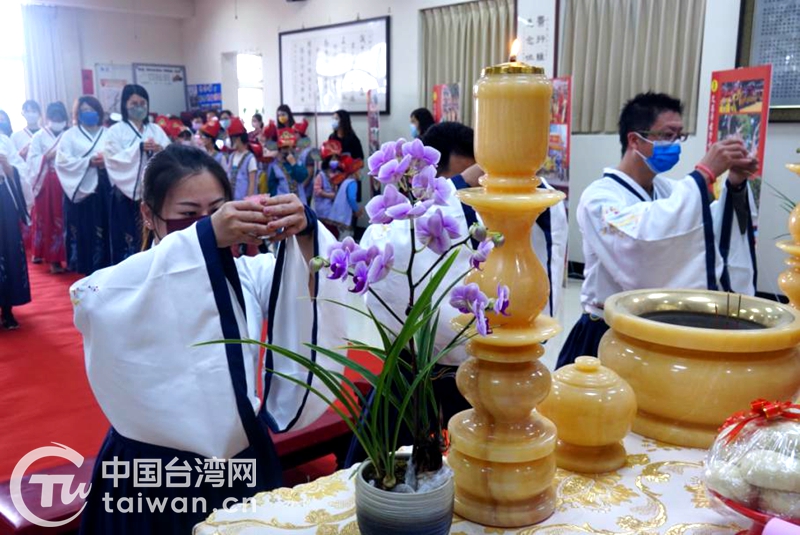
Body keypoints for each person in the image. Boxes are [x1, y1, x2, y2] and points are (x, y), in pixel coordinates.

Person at [71, 143, 349, 534]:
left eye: (217, 211)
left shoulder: (246, 274)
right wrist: (204, 235)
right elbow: (89, 299)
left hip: (243, 457)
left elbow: (310, 284)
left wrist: (305, 232)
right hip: (156, 474)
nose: (209, 226)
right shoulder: (124, 285)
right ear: (148, 215)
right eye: (188, 216)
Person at [345, 123, 568, 466]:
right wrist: (460, 187)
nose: (476, 196)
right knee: (390, 470)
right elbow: (386, 272)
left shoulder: (496, 214)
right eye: (463, 183)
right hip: (415, 375)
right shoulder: (406, 220)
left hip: (487, 374)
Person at [556, 92, 758, 369]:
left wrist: (735, 183)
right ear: (634, 139)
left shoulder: (667, 190)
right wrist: (703, 174)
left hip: (652, 330)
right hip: (605, 330)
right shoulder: (599, 198)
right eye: (666, 135)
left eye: (679, 136)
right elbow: (639, 240)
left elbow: (705, 227)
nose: (674, 144)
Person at [103, 84, 170, 263]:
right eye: (134, 103)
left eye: (142, 103)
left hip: (153, 192)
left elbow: (170, 154)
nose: (139, 107)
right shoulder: (115, 131)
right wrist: (138, 149)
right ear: (125, 105)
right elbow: (112, 159)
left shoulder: (155, 129)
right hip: (124, 193)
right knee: (126, 236)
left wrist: (160, 150)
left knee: (153, 233)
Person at [56, 95, 111, 275]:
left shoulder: (108, 134)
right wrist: (88, 162)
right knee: (85, 232)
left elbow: (120, 157)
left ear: (99, 112)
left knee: (107, 229)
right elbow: (62, 162)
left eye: (92, 110)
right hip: (81, 191)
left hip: (105, 188)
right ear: (78, 114)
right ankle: (86, 270)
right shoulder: (69, 136)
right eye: (84, 110)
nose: (89, 113)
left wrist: (108, 161)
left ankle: (107, 267)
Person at [27, 101, 69, 273]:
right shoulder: (39, 136)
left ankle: (71, 257)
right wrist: (47, 156)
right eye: (54, 117)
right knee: (48, 219)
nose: (57, 120)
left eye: (60, 117)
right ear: (48, 118)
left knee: (67, 219)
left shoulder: (69, 135)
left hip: (68, 181)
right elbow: (32, 160)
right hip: (46, 182)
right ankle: (53, 259)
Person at [0, 128, 32, 329]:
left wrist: (8, 167)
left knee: (8, 250)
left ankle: (7, 308)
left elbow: (21, 169)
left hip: (4, 200)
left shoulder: (3, 140)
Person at [314, 140, 362, 238]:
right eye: (332, 158)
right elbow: (317, 190)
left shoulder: (340, 175)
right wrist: (329, 195)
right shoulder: (321, 175)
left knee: (334, 233)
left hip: (335, 210)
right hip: (323, 210)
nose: (335, 161)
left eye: (336, 158)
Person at [267, 129, 308, 198]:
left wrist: (294, 164)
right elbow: (272, 188)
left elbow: (302, 177)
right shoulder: (275, 166)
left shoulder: (298, 162)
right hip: (283, 201)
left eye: (291, 148)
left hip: (299, 201)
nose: (288, 151)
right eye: (285, 148)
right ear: (280, 149)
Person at [225, 117, 257, 200]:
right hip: (232, 199)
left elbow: (252, 183)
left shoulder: (250, 158)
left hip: (244, 201)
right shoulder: (232, 156)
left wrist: (248, 200)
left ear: (238, 139)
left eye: (232, 140)